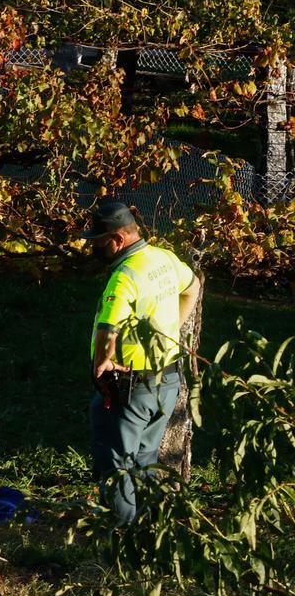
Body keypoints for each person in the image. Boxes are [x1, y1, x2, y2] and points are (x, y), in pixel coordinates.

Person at [83, 201, 201, 525]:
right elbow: (194, 288)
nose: (92, 247)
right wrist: (171, 333)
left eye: (97, 242)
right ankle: (149, 543)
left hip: (128, 389)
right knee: (145, 464)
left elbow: (108, 330)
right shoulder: (163, 258)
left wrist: (100, 365)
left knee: (116, 467)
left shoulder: (124, 277)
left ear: (117, 240)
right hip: (166, 382)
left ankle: (120, 548)